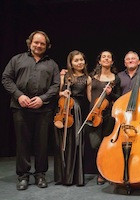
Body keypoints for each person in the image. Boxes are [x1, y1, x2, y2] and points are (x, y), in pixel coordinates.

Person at [2, 30, 60, 190]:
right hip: (20, 107)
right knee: (22, 143)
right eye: (36, 42)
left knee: (41, 143)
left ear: (46, 46)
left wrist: (42, 99)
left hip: (44, 109)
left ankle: (40, 175)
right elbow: (6, 78)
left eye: (42, 43)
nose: (39, 45)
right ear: (30, 43)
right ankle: (23, 176)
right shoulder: (17, 59)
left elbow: (56, 85)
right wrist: (19, 95)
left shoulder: (52, 64)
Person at [54, 50, 92, 186]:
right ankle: (62, 177)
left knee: (75, 143)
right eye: (76, 60)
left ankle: (74, 177)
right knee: (62, 144)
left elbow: (89, 98)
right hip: (63, 111)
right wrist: (62, 92)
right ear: (71, 63)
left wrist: (99, 105)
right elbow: (57, 93)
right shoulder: (64, 75)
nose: (79, 62)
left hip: (77, 113)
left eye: (81, 60)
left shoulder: (88, 79)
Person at [85, 50, 122, 185]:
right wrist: (95, 108)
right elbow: (89, 95)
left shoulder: (115, 78)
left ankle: (103, 172)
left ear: (112, 62)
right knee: (95, 143)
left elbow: (119, 98)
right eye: (103, 57)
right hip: (95, 114)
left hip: (109, 115)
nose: (106, 59)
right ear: (99, 61)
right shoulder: (91, 77)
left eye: (109, 57)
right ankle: (99, 168)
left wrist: (110, 94)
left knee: (107, 144)